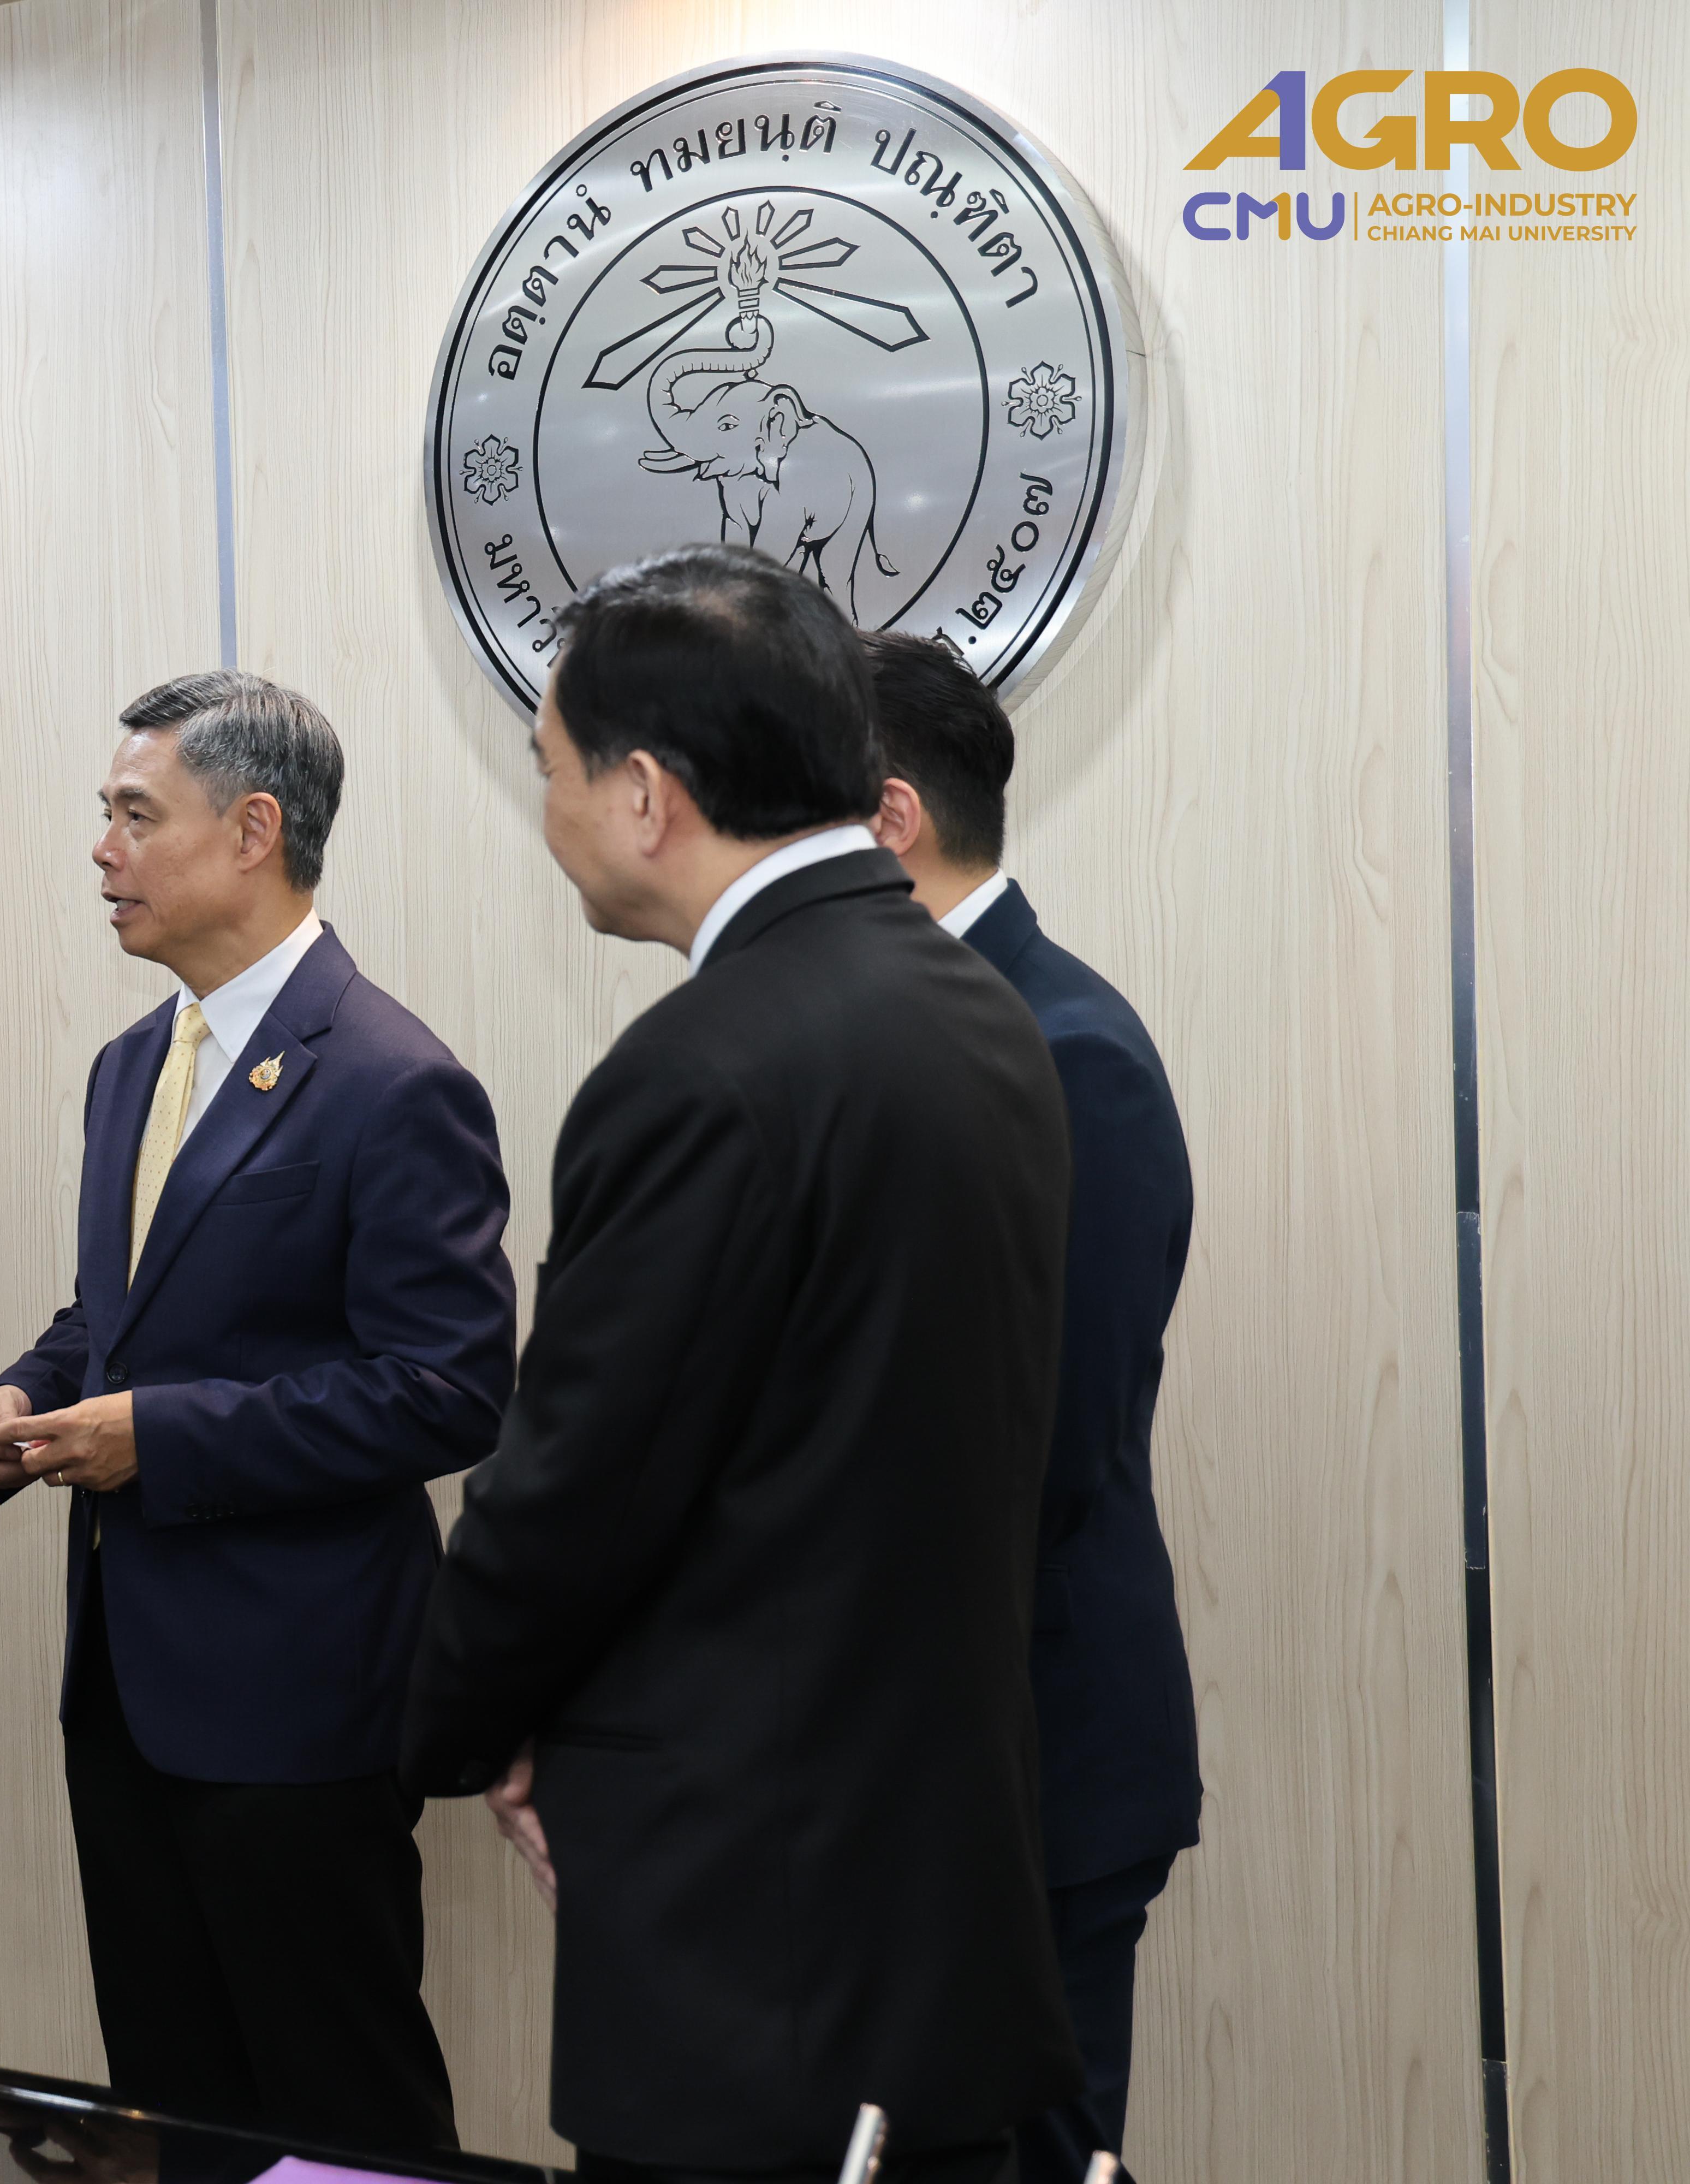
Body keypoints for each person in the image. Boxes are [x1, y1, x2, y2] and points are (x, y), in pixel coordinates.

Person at [401, 546, 1083, 2183]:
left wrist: (459, 1722)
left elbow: (578, 1483)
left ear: (646, 795)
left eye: (551, 770)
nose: (549, 814)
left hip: (752, 1931)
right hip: (924, 1903)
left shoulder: (704, 1068)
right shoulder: (982, 1013)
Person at [0, 671, 516, 2155]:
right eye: (106, 816)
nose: (103, 850)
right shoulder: (133, 1063)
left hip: (296, 1703)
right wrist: (35, 1391)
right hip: (124, 1691)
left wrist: (163, 1435)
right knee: (172, 2109)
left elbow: (451, 1389)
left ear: (255, 829)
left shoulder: (393, 1079)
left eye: (137, 816)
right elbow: (123, 1311)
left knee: (342, 2117)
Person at [862, 631, 1201, 2184]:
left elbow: (1045, 1445)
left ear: (889, 819)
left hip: (1031, 1766)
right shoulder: (895, 1034)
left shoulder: (1065, 1053)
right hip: (903, 1774)